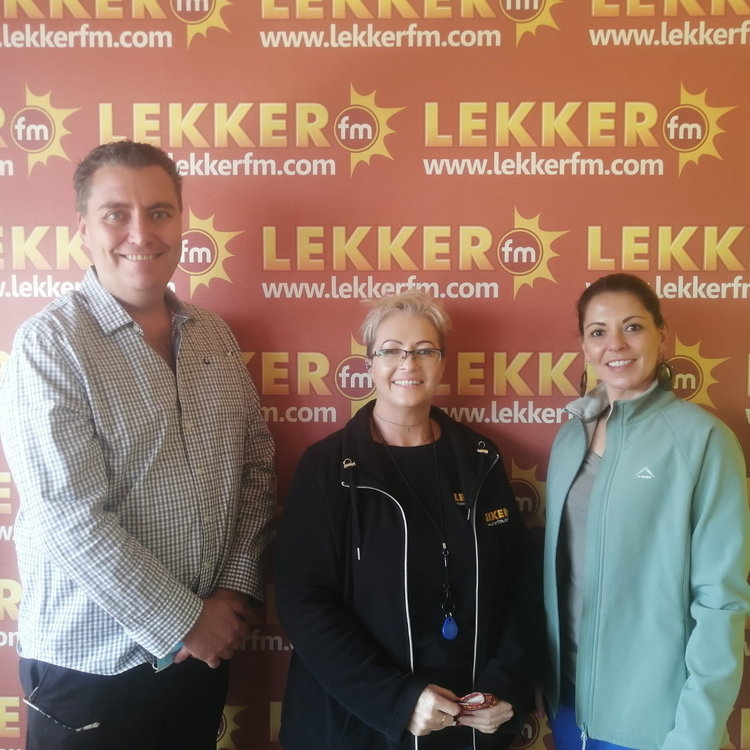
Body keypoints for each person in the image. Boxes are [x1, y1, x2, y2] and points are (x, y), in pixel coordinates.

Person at [0, 140, 276, 750]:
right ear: (84, 228)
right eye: (115, 214)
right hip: (93, 666)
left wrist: (230, 595)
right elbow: (68, 516)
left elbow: (256, 468)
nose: (141, 233)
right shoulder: (50, 344)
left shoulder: (212, 335)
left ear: (180, 221)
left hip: (203, 652)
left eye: (159, 212)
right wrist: (186, 621)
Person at [275, 290, 542, 750]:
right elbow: (304, 604)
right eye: (392, 350)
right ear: (369, 364)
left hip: (466, 727)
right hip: (356, 727)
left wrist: (507, 686)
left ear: (442, 364)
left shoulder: (480, 459)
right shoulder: (326, 468)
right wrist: (396, 701)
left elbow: (520, 586)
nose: (408, 363)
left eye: (424, 351)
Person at [543, 273, 750, 750]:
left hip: (657, 722)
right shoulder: (570, 434)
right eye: (598, 332)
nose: (615, 344)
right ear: (584, 345)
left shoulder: (703, 440)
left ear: (662, 334)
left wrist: (694, 734)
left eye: (632, 327)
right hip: (570, 706)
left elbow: (721, 602)